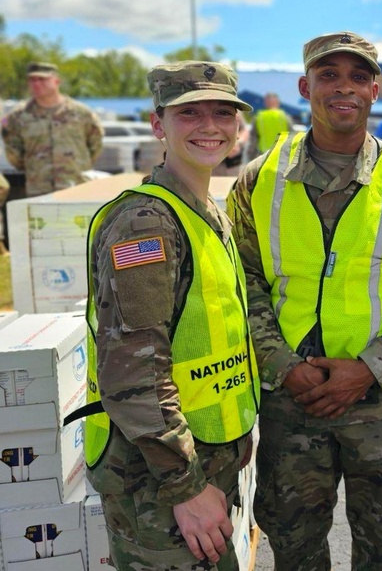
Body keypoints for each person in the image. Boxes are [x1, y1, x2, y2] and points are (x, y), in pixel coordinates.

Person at [228, 31, 382, 570]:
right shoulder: (259, 179)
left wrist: (369, 369)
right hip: (293, 404)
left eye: (356, 77)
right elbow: (244, 283)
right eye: (328, 76)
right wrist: (282, 365)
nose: (342, 88)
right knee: (296, 548)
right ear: (305, 86)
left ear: (375, 90)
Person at [74, 61, 259, 571]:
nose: (209, 127)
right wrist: (185, 486)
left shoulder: (207, 209)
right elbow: (133, 372)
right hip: (159, 484)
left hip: (201, 461)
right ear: (159, 125)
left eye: (223, 113)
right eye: (188, 114)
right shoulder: (145, 223)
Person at [1, 61, 103, 196]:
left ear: (57, 81)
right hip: (39, 190)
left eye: (42, 79)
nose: (36, 84)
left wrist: (77, 165)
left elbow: (95, 145)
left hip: (77, 188)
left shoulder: (81, 113)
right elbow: (14, 153)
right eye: (32, 80)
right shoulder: (18, 117)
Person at [247, 92, 295, 159]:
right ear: (278, 102)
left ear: (265, 103)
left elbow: (253, 139)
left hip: (264, 155)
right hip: (282, 155)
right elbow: (293, 136)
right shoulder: (285, 117)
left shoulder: (259, 117)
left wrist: (251, 155)